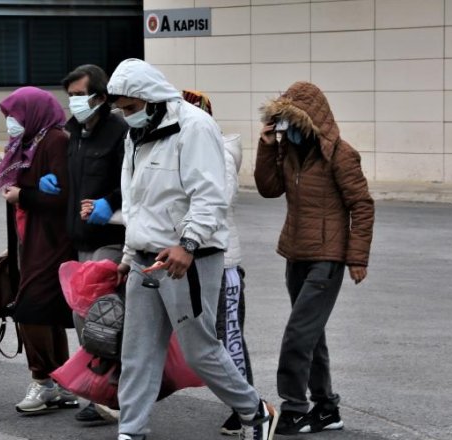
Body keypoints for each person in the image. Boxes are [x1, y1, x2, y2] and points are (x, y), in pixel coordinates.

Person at [107, 59, 278, 440]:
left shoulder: (195, 127)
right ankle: (131, 432)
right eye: (121, 109)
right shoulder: (136, 134)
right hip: (146, 258)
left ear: (151, 99)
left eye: (131, 108)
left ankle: (255, 411)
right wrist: (128, 254)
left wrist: (187, 243)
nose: (126, 116)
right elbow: (135, 201)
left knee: (199, 350)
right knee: (137, 353)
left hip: (190, 258)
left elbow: (211, 195)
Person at [253, 81, 375, 435]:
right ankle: (326, 408)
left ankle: (293, 407)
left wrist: (357, 258)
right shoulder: (288, 152)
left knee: (297, 334)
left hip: (328, 258)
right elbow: (268, 188)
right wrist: (266, 145)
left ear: (308, 120)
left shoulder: (341, 155)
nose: (284, 128)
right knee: (312, 334)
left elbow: (362, 206)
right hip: (296, 253)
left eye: (289, 121)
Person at [39, 64, 128, 424]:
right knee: (85, 319)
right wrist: (52, 179)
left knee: (99, 318)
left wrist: (111, 201)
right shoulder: (74, 132)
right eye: (71, 96)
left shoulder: (119, 131)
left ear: (101, 97)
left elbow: (134, 181)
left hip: (110, 237)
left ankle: (111, 394)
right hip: (80, 238)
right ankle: (102, 390)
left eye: (80, 95)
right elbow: (74, 178)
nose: (74, 102)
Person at [0, 87, 79, 414]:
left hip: (54, 241)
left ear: (33, 113)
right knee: (47, 313)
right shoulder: (27, 144)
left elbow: (64, 196)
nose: (11, 123)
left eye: (15, 115)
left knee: (29, 309)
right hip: (32, 240)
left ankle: (44, 381)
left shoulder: (55, 140)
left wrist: (23, 195)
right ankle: (64, 382)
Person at [182, 89, 254, 436]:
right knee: (211, 337)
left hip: (223, 261)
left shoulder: (219, 153)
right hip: (196, 257)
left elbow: (216, 203)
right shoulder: (190, 149)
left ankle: (248, 409)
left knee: (229, 338)